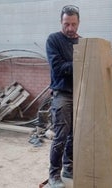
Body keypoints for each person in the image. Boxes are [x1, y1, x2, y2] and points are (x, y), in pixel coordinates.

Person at [45, 5, 80, 188]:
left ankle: (68, 167)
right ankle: (53, 175)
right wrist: (81, 62)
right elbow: (58, 68)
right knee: (61, 136)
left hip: (80, 94)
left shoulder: (82, 42)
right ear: (61, 22)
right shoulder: (54, 40)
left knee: (75, 135)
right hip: (63, 94)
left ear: (78, 23)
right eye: (67, 24)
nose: (70, 28)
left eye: (73, 24)